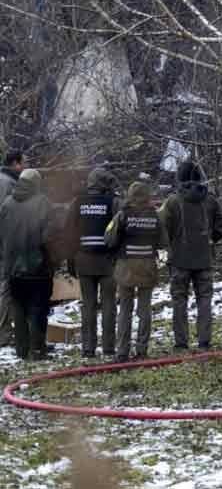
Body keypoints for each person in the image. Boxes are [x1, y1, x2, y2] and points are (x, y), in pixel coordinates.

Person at [160, 160, 222, 350]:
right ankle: (204, 340)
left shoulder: (172, 201)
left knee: (179, 300)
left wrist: (172, 245)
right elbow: (220, 228)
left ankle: (181, 342)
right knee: (204, 299)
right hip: (204, 259)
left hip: (179, 260)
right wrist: (209, 239)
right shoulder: (210, 200)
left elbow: (163, 228)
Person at [105, 181, 167, 362]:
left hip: (125, 268)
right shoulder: (154, 217)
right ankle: (142, 349)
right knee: (144, 309)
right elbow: (164, 241)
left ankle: (122, 351)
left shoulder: (122, 215)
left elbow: (108, 238)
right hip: (147, 267)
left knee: (125, 309)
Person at [0, 169, 55, 360]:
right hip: (38, 267)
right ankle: (37, 349)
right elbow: (49, 236)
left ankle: (21, 350)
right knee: (38, 309)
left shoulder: (7, 203)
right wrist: (50, 259)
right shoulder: (43, 203)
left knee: (19, 309)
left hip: (13, 267)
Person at [66, 167, 120, 358]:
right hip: (107, 263)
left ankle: (88, 348)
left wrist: (70, 260)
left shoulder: (77, 203)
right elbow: (119, 230)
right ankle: (108, 348)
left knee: (88, 305)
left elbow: (69, 234)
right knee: (108, 305)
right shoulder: (113, 202)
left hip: (84, 261)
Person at [0, 150, 25, 347]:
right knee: (7, 288)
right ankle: (4, 334)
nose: (23, 167)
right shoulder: (10, 185)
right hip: (6, 244)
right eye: (22, 163)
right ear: (15, 164)